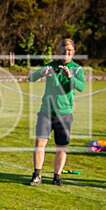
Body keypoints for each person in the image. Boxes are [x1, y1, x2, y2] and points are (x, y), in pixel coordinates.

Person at [27, 38, 85, 187]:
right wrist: (41, 73)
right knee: (40, 143)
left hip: (64, 113)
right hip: (46, 111)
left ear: (74, 52)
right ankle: (37, 175)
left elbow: (81, 87)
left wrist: (70, 77)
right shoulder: (50, 65)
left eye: (70, 50)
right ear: (59, 51)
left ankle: (56, 177)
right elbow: (31, 78)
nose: (67, 53)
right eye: (64, 50)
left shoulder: (77, 69)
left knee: (61, 146)